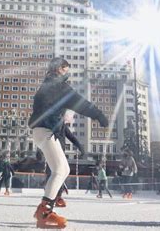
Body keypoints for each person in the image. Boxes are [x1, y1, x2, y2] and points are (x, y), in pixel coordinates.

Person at [29, 57, 108, 229]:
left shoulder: (48, 84)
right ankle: (44, 213)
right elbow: (80, 103)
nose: (67, 72)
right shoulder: (58, 86)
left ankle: (44, 210)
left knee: (61, 169)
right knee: (61, 170)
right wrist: (99, 115)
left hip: (41, 130)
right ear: (58, 69)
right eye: (65, 69)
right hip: (46, 129)